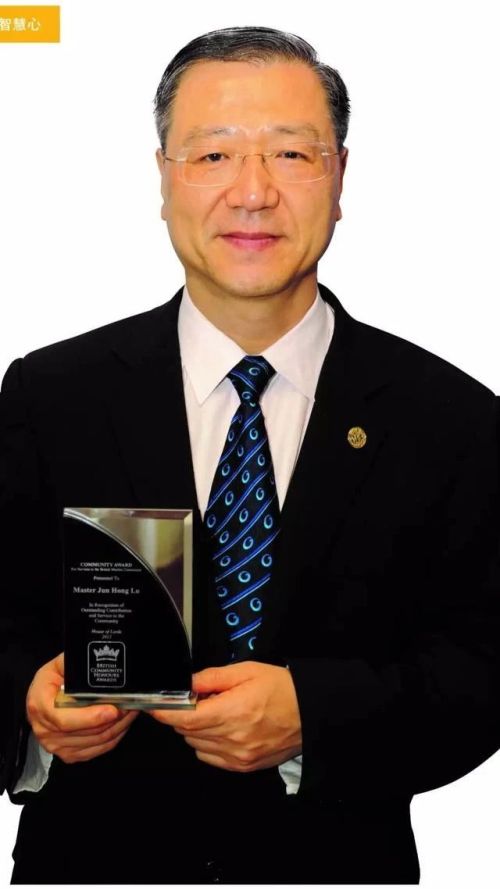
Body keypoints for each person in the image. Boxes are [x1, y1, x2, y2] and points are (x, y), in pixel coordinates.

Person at [1, 25, 499, 885]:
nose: (254, 192)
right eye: (214, 155)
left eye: (292, 154)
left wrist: (316, 716)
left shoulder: (452, 418)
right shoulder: (48, 396)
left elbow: (483, 664)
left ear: (340, 177)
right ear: (164, 178)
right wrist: (29, 706)